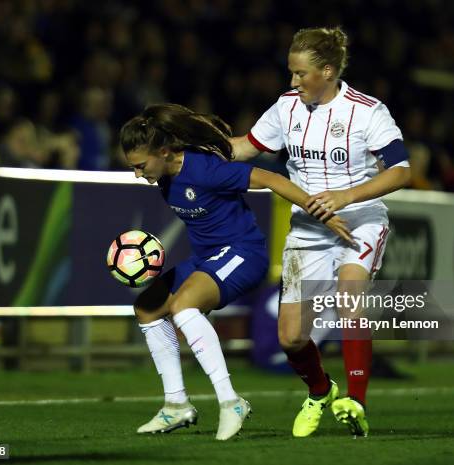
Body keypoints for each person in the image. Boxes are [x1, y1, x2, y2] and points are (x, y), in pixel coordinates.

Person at [119, 103, 350, 441]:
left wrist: (320, 211)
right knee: (147, 309)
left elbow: (269, 177)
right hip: (207, 258)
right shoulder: (165, 174)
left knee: (184, 307)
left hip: (244, 253)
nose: (138, 174)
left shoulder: (206, 170)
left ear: (165, 152)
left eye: (140, 166)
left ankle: (231, 403)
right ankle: (176, 405)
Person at [230, 26, 412, 438]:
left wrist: (347, 196)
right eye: (291, 73)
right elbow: (244, 148)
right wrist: (196, 146)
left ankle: (357, 402)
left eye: (300, 74)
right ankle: (320, 390)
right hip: (307, 230)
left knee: (351, 301)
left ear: (327, 71)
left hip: (361, 221)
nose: (293, 82)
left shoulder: (368, 111)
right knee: (292, 337)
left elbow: (402, 171)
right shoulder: (286, 107)